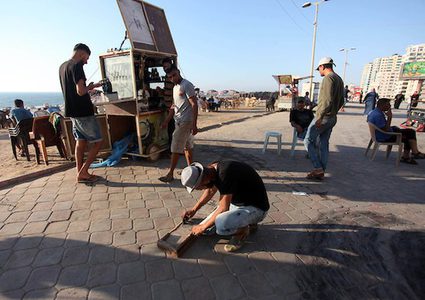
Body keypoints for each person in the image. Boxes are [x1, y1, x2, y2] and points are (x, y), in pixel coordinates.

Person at [180, 160, 269, 252]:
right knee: (207, 230)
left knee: (221, 225)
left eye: (198, 187)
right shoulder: (213, 169)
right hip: (239, 203)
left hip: (257, 208)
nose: (200, 189)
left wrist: (202, 227)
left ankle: (243, 231)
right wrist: (194, 209)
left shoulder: (225, 174)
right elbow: (210, 191)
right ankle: (246, 221)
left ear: (204, 178)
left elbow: (223, 208)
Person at [59, 43, 103, 183]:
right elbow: (81, 91)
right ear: (82, 54)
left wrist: (90, 86)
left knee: (81, 142)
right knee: (98, 142)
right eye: (86, 58)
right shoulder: (77, 66)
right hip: (83, 112)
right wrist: (91, 87)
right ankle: (83, 172)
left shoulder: (62, 66)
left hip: (72, 112)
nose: (86, 61)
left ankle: (80, 172)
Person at [304, 57, 344, 179]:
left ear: (322, 66)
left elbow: (326, 100)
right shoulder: (339, 79)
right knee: (324, 144)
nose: (319, 72)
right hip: (332, 117)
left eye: (319, 69)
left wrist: (320, 117)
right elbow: (341, 100)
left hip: (324, 117)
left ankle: (318, 168)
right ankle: (321, 171)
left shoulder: (328, 78)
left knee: (308, 140)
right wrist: (333, 113)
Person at [159, 65, 198, 182]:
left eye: (174, 75)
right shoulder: (175, 88)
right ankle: (191, 170)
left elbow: (194, 104)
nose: (172, 78)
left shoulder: (187, 85)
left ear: (178, 72)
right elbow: (173, 106)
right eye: (170, 77)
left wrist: (194, 124)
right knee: (187, 146)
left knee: (175, 147)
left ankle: (170, 174)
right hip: (178, 120)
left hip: (186, 121)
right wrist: (166, 121)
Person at [367, 98, 425, 164]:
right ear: (382, 105)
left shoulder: (373, 111)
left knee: (409, 131)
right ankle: (412, 154)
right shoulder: (378, 115)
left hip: (378, 133)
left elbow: (381, 126)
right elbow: (386, 130)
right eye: (388, 104)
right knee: (409, 135)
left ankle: (411, 154)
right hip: (384, 137)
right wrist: (389, 117)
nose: (390, 106)